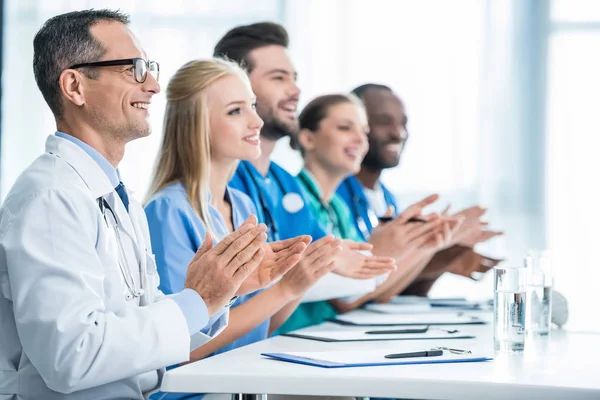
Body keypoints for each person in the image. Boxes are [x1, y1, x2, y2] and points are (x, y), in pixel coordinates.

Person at [0, 10, 301, 399]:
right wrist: (200, 299)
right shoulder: (51, 197)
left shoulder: (116, 197)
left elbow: (144, 322)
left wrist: (221, 291)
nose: (155, 85)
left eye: (150, 68)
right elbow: (71, 357)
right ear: (75, 86)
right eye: (134, 69)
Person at [144, 58, 344, 378]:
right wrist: (284, 289)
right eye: (236, 111)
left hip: (241, 378)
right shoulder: (168, 211)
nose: (257, 122)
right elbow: (179, 349)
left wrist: (299, 283)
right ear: (196, 124)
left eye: (252, 106)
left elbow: (256, 328)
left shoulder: (240, 203)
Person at [214, 23, 397, 333]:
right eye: (278, 78)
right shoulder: (222, 183)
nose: (295, 90)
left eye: (294, 79)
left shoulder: (285, 183)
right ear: (235, 88)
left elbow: (323, 262)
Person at [293, 94, 461, 312]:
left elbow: (377, 290)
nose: (360, 140)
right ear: (308, 139)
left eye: (364, 131)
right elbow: (345, 299)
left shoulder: (338, 207)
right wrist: (390, 249)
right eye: (345, 128)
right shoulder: (293, 200)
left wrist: (423, 245)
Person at [337, 84, 504, 294]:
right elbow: (350, 293)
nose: (398, 133)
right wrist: (431, 248)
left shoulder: (388, 198)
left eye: (403, 123)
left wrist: (444, 255)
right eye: (383, 122)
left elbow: (391, 287)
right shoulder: (335, 195)